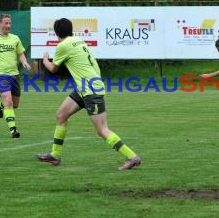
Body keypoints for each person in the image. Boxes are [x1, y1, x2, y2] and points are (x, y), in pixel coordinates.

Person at [35, 18, 141, 171]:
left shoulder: (63, 45)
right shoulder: (78, 40)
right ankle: (55, 155)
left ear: (56, 32)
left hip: (90, 89)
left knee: (102, 130)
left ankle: (132, 157)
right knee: (61, 115)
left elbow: (52, 68)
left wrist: (44, 58)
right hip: (85, 87)